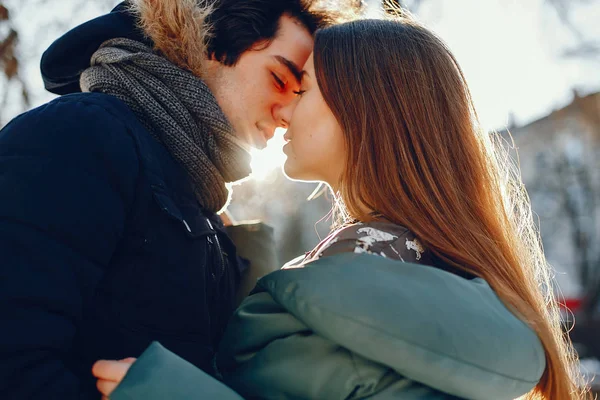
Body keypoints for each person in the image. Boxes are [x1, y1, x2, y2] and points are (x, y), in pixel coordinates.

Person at [92, 13, 589, 400]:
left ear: (365, 110)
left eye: (302, 88)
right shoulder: (387, 271)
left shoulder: (373, 284)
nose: (283, 110)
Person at [0, 0, 355, 398]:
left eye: (301, 92)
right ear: (212, 47)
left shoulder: (199, 203)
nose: (288, 111)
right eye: (278, 79)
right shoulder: (80, 135)